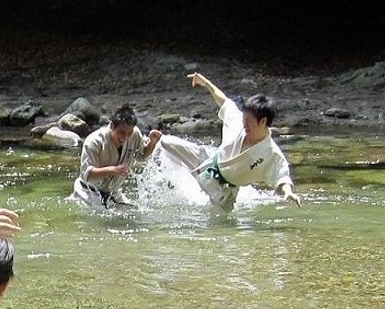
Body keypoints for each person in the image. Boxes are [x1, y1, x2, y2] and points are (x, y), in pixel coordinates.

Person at [151, 72, 302, 211]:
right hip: (208, 162)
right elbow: (224, 101)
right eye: (244, 119)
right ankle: (156, 183)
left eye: (248, 121)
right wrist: (206, 83)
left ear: (263, 121)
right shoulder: (239, 123)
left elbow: (282, 176)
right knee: (165, 142)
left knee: (218, 227)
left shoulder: (271, 152)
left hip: (225, 192)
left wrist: (288, 192)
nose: (244, 124)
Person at [71, 105, 160, 208]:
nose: (125, 138)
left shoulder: (135, 134)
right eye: (121, 133)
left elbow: (142, 156)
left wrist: (152, 143)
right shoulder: (94, 141)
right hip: (88, 191)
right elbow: (88, 174)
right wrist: (112, 170)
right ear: (112, 126)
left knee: (133, 212)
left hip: (113, 192)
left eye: (129, 133)